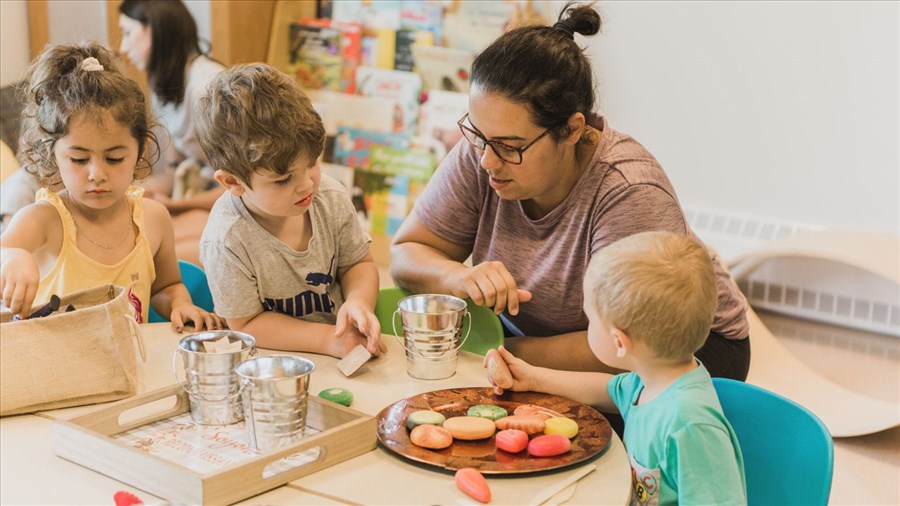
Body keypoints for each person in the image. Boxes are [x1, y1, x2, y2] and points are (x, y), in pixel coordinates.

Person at [390, 1, 750, 379]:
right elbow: (405, 254)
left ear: (573, 129)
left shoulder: (629, 192)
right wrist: (455, 277)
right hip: (547, 339)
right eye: (478, 136)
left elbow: (625, 346)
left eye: (510, 146)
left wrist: (496, 351)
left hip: (675, 350)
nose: (486, 161)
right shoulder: (484, 148)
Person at [487, 231, 747, 505]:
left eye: (590, 320)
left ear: (619, 342)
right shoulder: (651, 381)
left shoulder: (689, 425)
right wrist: (533, 378)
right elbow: (606, 390)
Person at [0, 42, 223, 331]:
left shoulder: (153, 220)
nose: (97, 174)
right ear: (53, 154)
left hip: (128, 368)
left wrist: (179, 304)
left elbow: (166, 286)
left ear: (140, 151)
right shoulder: (44, 219)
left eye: (115, 158)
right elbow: (4, 250)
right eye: (79, 159)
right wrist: (14, 256)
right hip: (58, 368)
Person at [196, 63, 386, 358]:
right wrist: (327, 340)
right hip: (271, 363)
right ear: (233, 182)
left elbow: (357, 263)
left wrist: (358, 301)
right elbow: (246, 322)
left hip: (343, 351)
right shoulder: (226, 240)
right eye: (283, 179)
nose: (307, 184)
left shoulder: (330, 197)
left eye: (312, 163)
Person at [118, 0, 226, 267]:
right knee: (131, 235)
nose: (122, 47)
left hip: (234, 203)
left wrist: (172, 205)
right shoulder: (165, 84)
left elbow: (245, 187)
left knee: (147, 255)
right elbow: (173, 172)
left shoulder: (206, 89)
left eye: (128, 33)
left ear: (156, 30)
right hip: (202, 199)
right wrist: (122, 192)